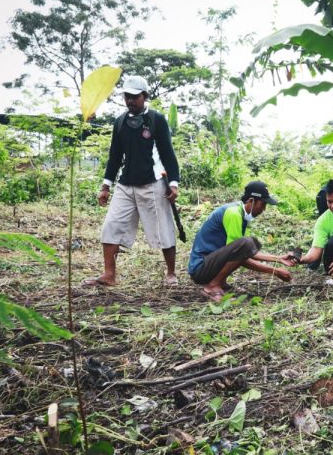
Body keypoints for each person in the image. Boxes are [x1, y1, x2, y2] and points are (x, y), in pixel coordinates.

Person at [82, 76, 180, 288]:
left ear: (144, 97)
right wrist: (105, 186)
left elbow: (168, 154)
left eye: (135, 97)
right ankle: (109, 274)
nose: (130, 101)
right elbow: (115, 156)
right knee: (111, 226)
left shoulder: (156, 120)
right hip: (125, 185)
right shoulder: (120, 122)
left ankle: (171, 273)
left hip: (153, 183)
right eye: (127, 96)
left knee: (163, 228)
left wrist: (174, 183)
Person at [188, 181, 293, 300]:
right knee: (247, 243)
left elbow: (247, 253)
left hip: (209, 265)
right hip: (200, 268)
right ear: (251, 201)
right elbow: (241, 255)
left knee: (252, 242)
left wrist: (279, 259)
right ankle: (212, 286)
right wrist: (275, 271)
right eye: (262, 204)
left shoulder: (241, 214)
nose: (263, 209)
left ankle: (220, 282)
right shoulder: (233, 214)